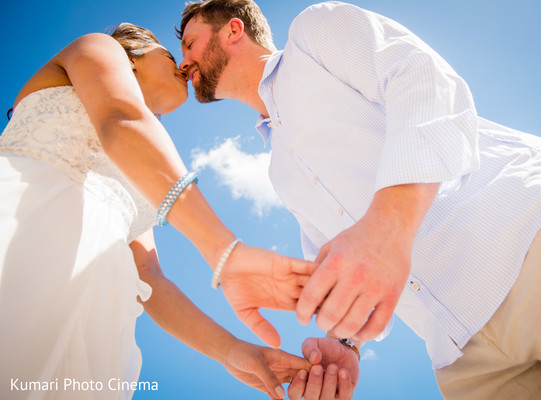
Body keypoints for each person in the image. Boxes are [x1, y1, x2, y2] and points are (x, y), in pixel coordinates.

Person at [176, 1, 541, 399]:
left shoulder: (312, 34)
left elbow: (423, 78)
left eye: (190, 43)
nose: (183, 63)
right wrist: (346, 343)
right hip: (466, 360)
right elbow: (337, 258)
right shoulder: (278, 171)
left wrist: (388, 223)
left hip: (530, 243)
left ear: (233, 29)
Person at [0, 22, 315, 399]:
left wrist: (233, 351)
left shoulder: (144, 171)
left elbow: (150, 279)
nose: (184, 66)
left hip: (81, 309)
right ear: (132, 56)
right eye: (170, 55)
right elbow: (120, 121)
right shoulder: (98, 46)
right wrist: (224, 251)